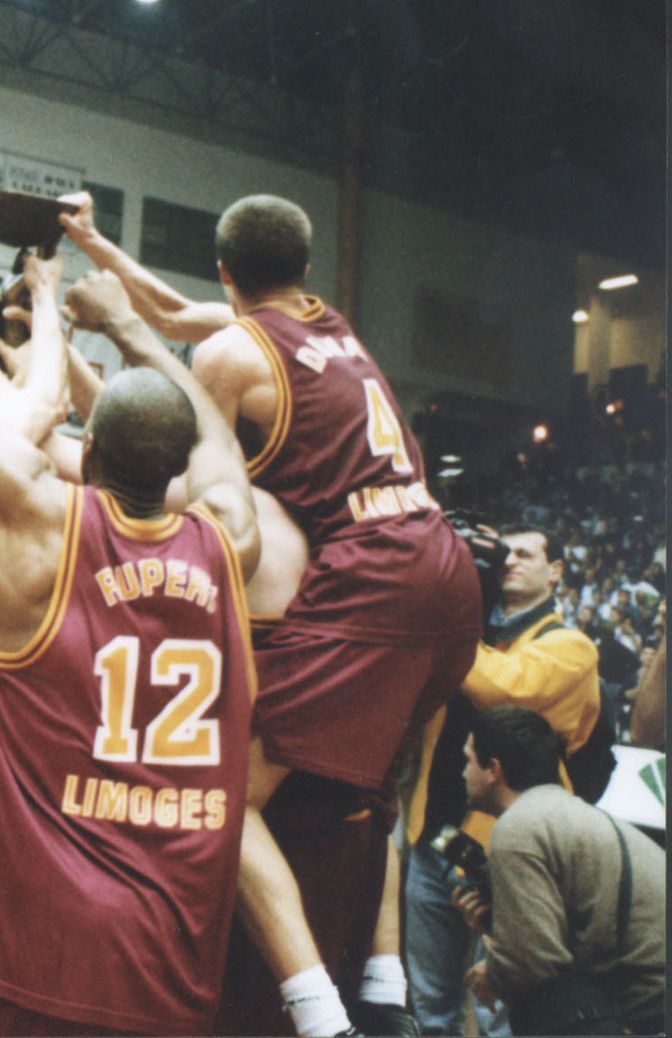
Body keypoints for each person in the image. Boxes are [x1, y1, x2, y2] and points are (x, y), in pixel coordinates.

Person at [59, 192, 483, 1036]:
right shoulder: (329, 323)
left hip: (379, 578)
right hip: (449, 567)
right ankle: (386, 983)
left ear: (226, 270)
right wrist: (94, 244)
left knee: (233, 796)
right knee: (382, 782)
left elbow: (183, 470)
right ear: (301, 269)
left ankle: (320, 1016)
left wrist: (86, 355)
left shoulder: (230, 360)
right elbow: (178, 311)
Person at [0, 260, 260, 1034]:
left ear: (87, 451)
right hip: (171, 962)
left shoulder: (46, 525)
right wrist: (130, 331)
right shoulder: (230, 541)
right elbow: (216, 444)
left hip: (36, 951)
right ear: (178, 468)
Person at [404, 526, 601, 1035]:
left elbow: (503, 686)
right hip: (435, 840)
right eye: (502, 552)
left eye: (525, 553)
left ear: (556, 572)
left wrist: (448, 621)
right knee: (430, 1005)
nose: (508, 560)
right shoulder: (476, 636)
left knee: (503, 1009)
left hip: (509, 857)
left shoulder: (573, 647)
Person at [457, 707, 665, 1036]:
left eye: (468, 760)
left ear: (493, 769)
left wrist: (495, 972)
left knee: (537, 1006)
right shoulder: (561, 810)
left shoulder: (518, 828)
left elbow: (534, 963)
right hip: (649, 995)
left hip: (645, 1009)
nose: (463, 773)